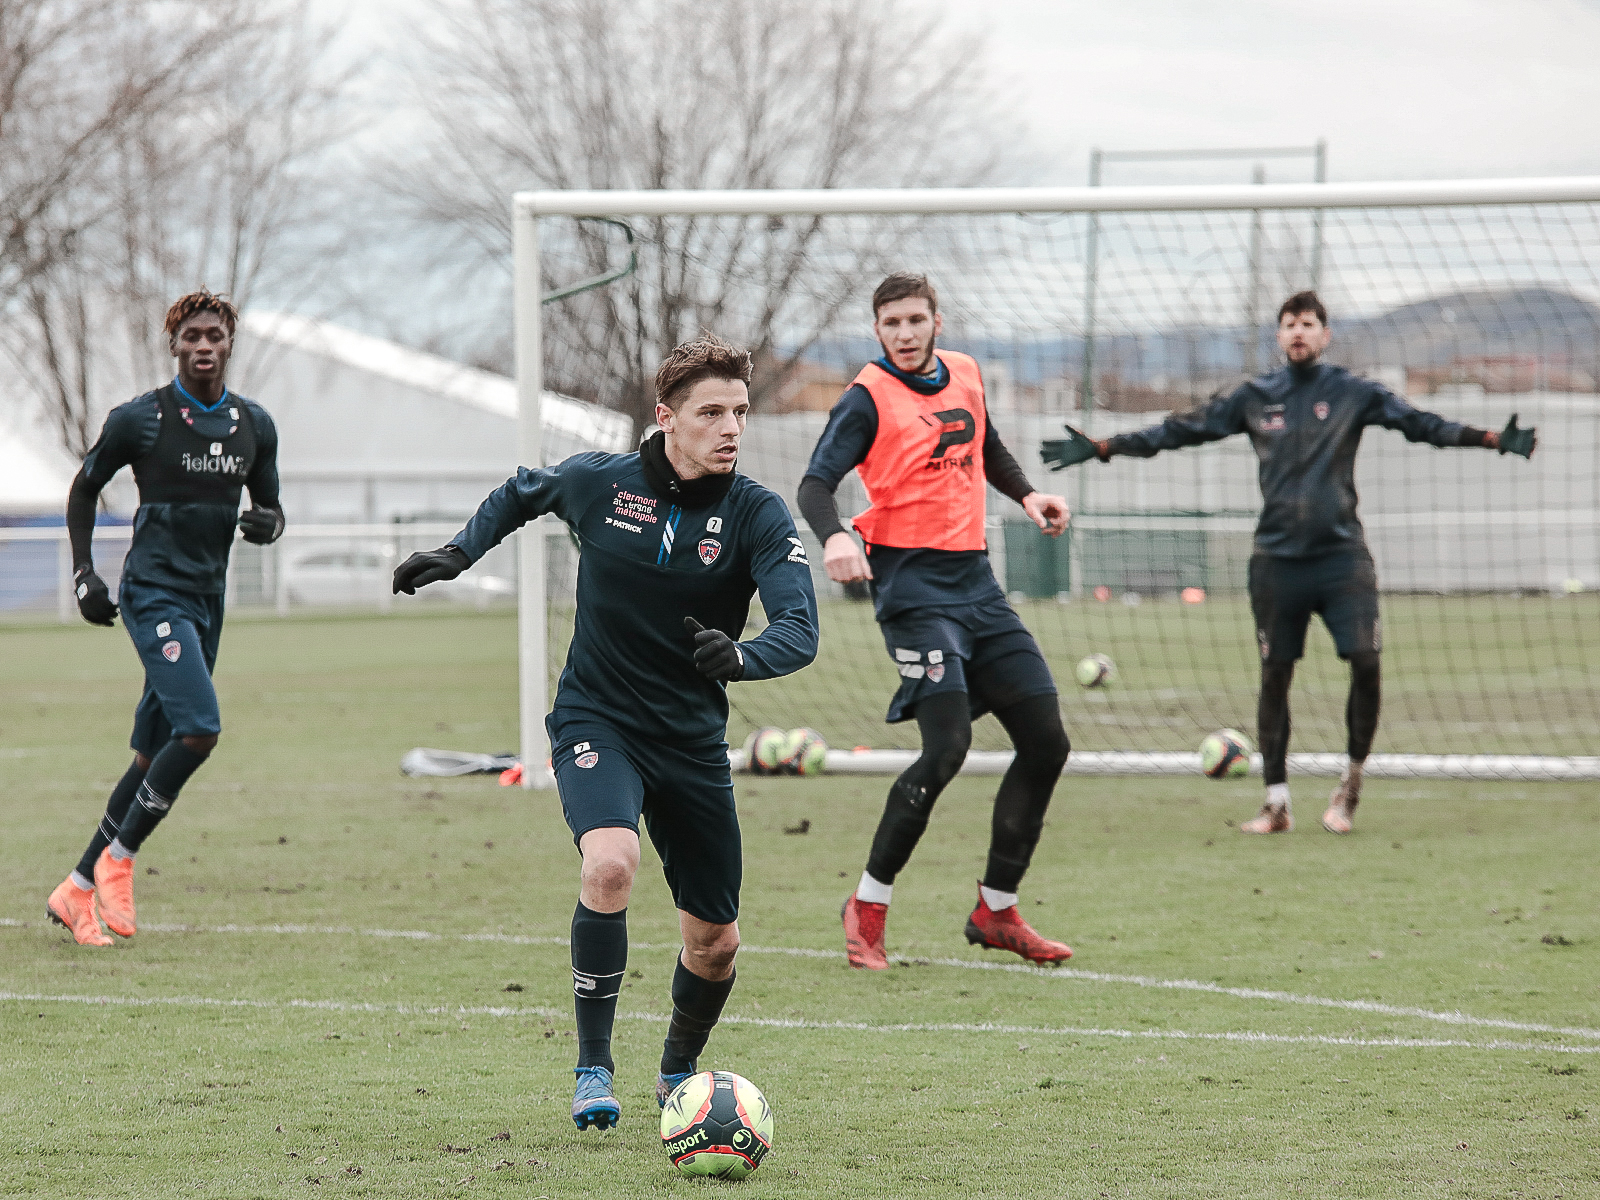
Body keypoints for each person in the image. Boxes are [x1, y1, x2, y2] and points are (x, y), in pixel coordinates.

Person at [393, 334, 818, 1132]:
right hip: (598, 719)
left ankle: (677, 1071)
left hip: (690, 742)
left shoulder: (756, 511)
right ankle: (593, 1067)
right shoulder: (601, 483)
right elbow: (525, 492)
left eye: (740, 413)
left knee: (717, 942)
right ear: (665, 418)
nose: (731, 428)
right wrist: (458, 551)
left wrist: (742, 655)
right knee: (611, 864)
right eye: (712, 413)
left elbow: (801, 627)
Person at [1043, 290, 1536, 835]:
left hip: (1342, 557)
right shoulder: (1256, 396)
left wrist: (1490, 439)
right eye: (1288, 325)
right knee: (1276, 673)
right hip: (1277, 562)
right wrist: (1105, 447)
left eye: (1308, 324)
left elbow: (1422, 424)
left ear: (1325, 335)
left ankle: (1350, 782)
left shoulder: (1354, 392)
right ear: (1278, 337)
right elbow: (1179, 431)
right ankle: (1276, 803)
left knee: (1367, 663)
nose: (1297, 332)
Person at [797, 272, 1076, 972]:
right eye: (892, 324)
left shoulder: (968, 374)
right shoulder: (867, 397)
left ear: (937, 322)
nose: (906, 333)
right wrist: (835, 537)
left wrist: (1028, 494)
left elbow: (986, 449)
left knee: (1047, 742)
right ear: (878, 331)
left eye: (915, 320)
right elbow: (814, 484)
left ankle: (998, 909)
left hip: (977, 586)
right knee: (946, 749)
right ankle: (867, 904)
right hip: (913, 592)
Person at [47, 290, 284, 947]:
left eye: (215, 335)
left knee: (154, 753)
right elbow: (85, 486)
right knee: (201, 728)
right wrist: (84, 573)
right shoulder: (142, 419)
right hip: (154, 596)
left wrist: (267, 525)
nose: (203, 346)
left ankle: (75, 889)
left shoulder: (253, 426)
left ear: (230, 342)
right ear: (174, 345)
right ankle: (117, 859)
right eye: (191, 337)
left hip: (208, 602)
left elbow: (271, 508)